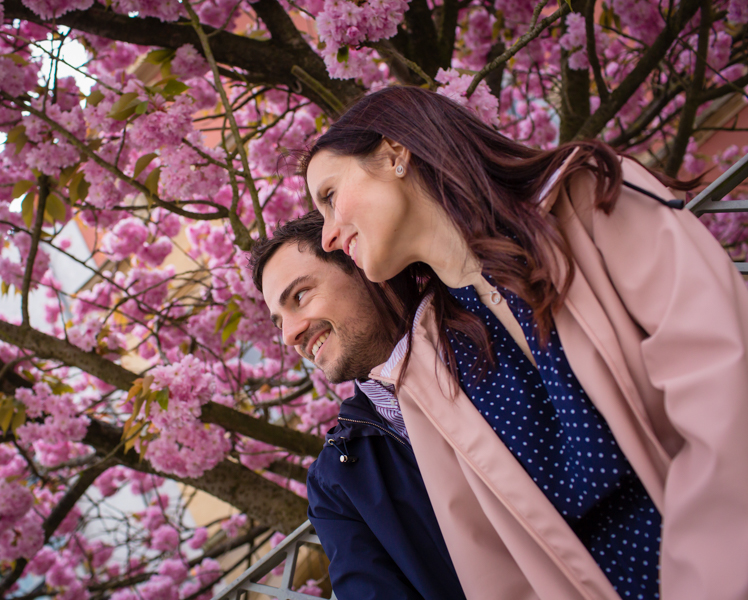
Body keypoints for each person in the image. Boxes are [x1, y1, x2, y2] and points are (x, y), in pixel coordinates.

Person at [303, 86, 748, 600]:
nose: (329, 236)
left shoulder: (587, 202)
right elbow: (497, 572)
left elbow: (724, 387)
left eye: (331, 197)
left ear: (394, 153)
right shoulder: (425, 372)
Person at [248, 212, 467, 600]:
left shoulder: (496, 330)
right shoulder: (336, 480)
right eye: (278, 322)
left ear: (363, 264)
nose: (289, 336)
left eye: (300, 296)